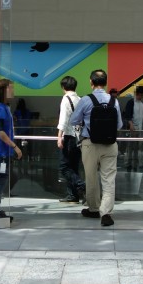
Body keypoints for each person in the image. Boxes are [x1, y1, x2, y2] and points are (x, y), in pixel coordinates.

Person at [70, 69, 122, 227]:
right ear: (105, 83)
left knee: (91, 177)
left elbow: (73, 121)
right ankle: (106, 213)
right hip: (110, 145)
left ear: (91, 83)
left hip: (90, 144)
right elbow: (119, 124)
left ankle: (93, 209)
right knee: (109, 180)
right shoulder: (114, 101)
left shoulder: (86, 100)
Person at [0, 78, 22, 219]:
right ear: (4, 90)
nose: (13, 91)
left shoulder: (4, 108)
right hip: (0, 153)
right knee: (0, 182)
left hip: (3, 152)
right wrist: (15, 147)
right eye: (11, 88)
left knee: (3, 181)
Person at [56, 76, 85, 204]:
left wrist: (59, 136)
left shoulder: (65, 99)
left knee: (64, 167)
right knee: (74, 166)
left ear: (63, 87)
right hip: (79, 137)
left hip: (68, 136)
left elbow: (63, 119)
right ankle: (72, 195)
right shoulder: (80, 99)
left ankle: (81, 185)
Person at [123, 86, 143, 172]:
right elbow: (128, 115)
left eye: (142, 95)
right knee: (130, 147)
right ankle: (129, 164)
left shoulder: (142, 104)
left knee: (137, 148)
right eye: (140, 95)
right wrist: (131, 125)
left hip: (139, 129)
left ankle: (135, 164)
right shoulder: (131, 102)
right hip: (132, 128)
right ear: (137, 94)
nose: (141, 97)